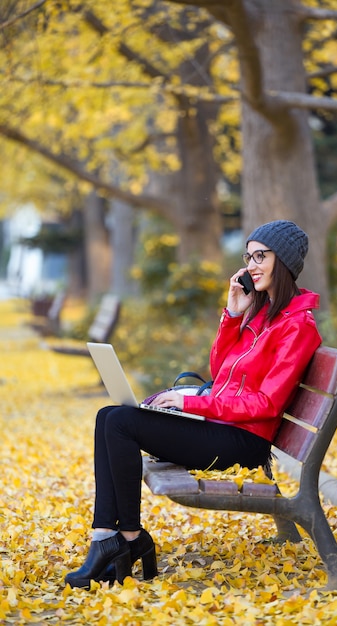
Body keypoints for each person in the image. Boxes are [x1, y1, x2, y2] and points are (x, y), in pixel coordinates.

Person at [64, 220, 322, 589]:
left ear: (284, 261)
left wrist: (193, 404)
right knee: (108, 416)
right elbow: (220, 371)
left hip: (242, 442)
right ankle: (108, 537)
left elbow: (266, 403)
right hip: (221, 428)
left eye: (260, 256)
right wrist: (232, 316)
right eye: (248, 256)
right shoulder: (262, 316)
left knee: (120, 422)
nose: (251, 265)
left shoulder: (297, 326)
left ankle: (129, 540)